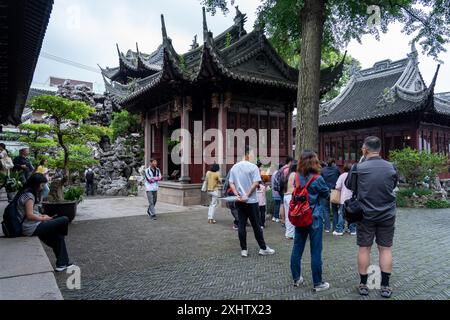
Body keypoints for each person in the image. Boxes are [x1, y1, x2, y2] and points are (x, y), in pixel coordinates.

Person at [345, 136, 398, 298]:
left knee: (364, 248)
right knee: (385, 249)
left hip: (365, 215)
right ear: (380, 149)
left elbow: (349, 185)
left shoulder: (358, 168)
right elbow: (393, 186)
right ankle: (385, 286)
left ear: (364, 149)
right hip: (387, 214)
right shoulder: (391, 167)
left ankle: (363, 284)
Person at [16, 173, 74, 272]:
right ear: (36, 184)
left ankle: (62, 264)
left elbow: (31, 214)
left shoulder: (26, 193)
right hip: (31, 228)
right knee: (64, 219)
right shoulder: (29, 196)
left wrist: (42, 216)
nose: (43, 188)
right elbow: (29, 215)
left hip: (33, 225)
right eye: (42, 185)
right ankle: (62, 235)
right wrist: (44, 219)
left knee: (58, 237)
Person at [290, 151, 330, 292]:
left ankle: (296, 278)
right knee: (316, 251)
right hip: (314, 217)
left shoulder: (297, 176)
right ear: (314, 162)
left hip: (300, 215)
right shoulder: (317, 178)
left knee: (297, 247)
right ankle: (318, 283)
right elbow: (326, 193)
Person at [228, 148, 275, 257]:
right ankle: (263, 248)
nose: (254, 157)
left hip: (240, 201)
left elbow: (231, 183)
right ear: (247, 154)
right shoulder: (253, 167)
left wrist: (237, 194)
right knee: (256, 225)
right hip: (251, 201)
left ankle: (244, 249)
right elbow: (255, 183)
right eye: (253, 154)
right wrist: (247, 195)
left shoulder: (234, 167)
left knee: (241, 225)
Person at [333, 162, 356, 236]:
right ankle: (352, 229)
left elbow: (337, 187)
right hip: (352, 198)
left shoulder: (342, 176)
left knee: (341, 214)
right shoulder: (354, 176)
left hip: (344, 198)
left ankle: (339, 229)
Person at [320, 158, 340, 233]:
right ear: (333, 163)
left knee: (326, 209)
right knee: (335, 210)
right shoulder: (336, 169)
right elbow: (339, 178)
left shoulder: (323, 170)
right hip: (334, 191)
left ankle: (327, 227)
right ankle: (335, 228)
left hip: (325, 191)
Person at [283, 160, 298, 240]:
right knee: (294, 216)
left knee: (287, 216)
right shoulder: (295, 174)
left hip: (286, 196)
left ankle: (289, 234)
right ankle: (294, 234)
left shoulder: (288, 175)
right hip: (291, 196)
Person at [278, 156, 293, 227]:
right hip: (285, 189)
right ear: (290, 161)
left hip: (281, 189)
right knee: (285, 205)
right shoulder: (287, 169)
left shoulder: (282, 168)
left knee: (282, 204)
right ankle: (285, 221)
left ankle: (283, 221)